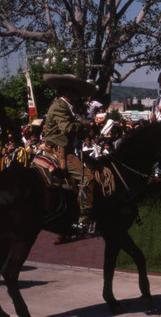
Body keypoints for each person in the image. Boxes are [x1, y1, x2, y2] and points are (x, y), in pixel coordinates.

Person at [43, 73, 96, 242]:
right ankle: (83, 221)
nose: (79, 95)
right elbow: (66, 128)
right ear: (69, 92)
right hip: (61, 152)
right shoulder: (60, 106)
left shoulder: (65, 106)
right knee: (88, 178)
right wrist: (84, 125)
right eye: (76, 92)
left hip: (66, 148)